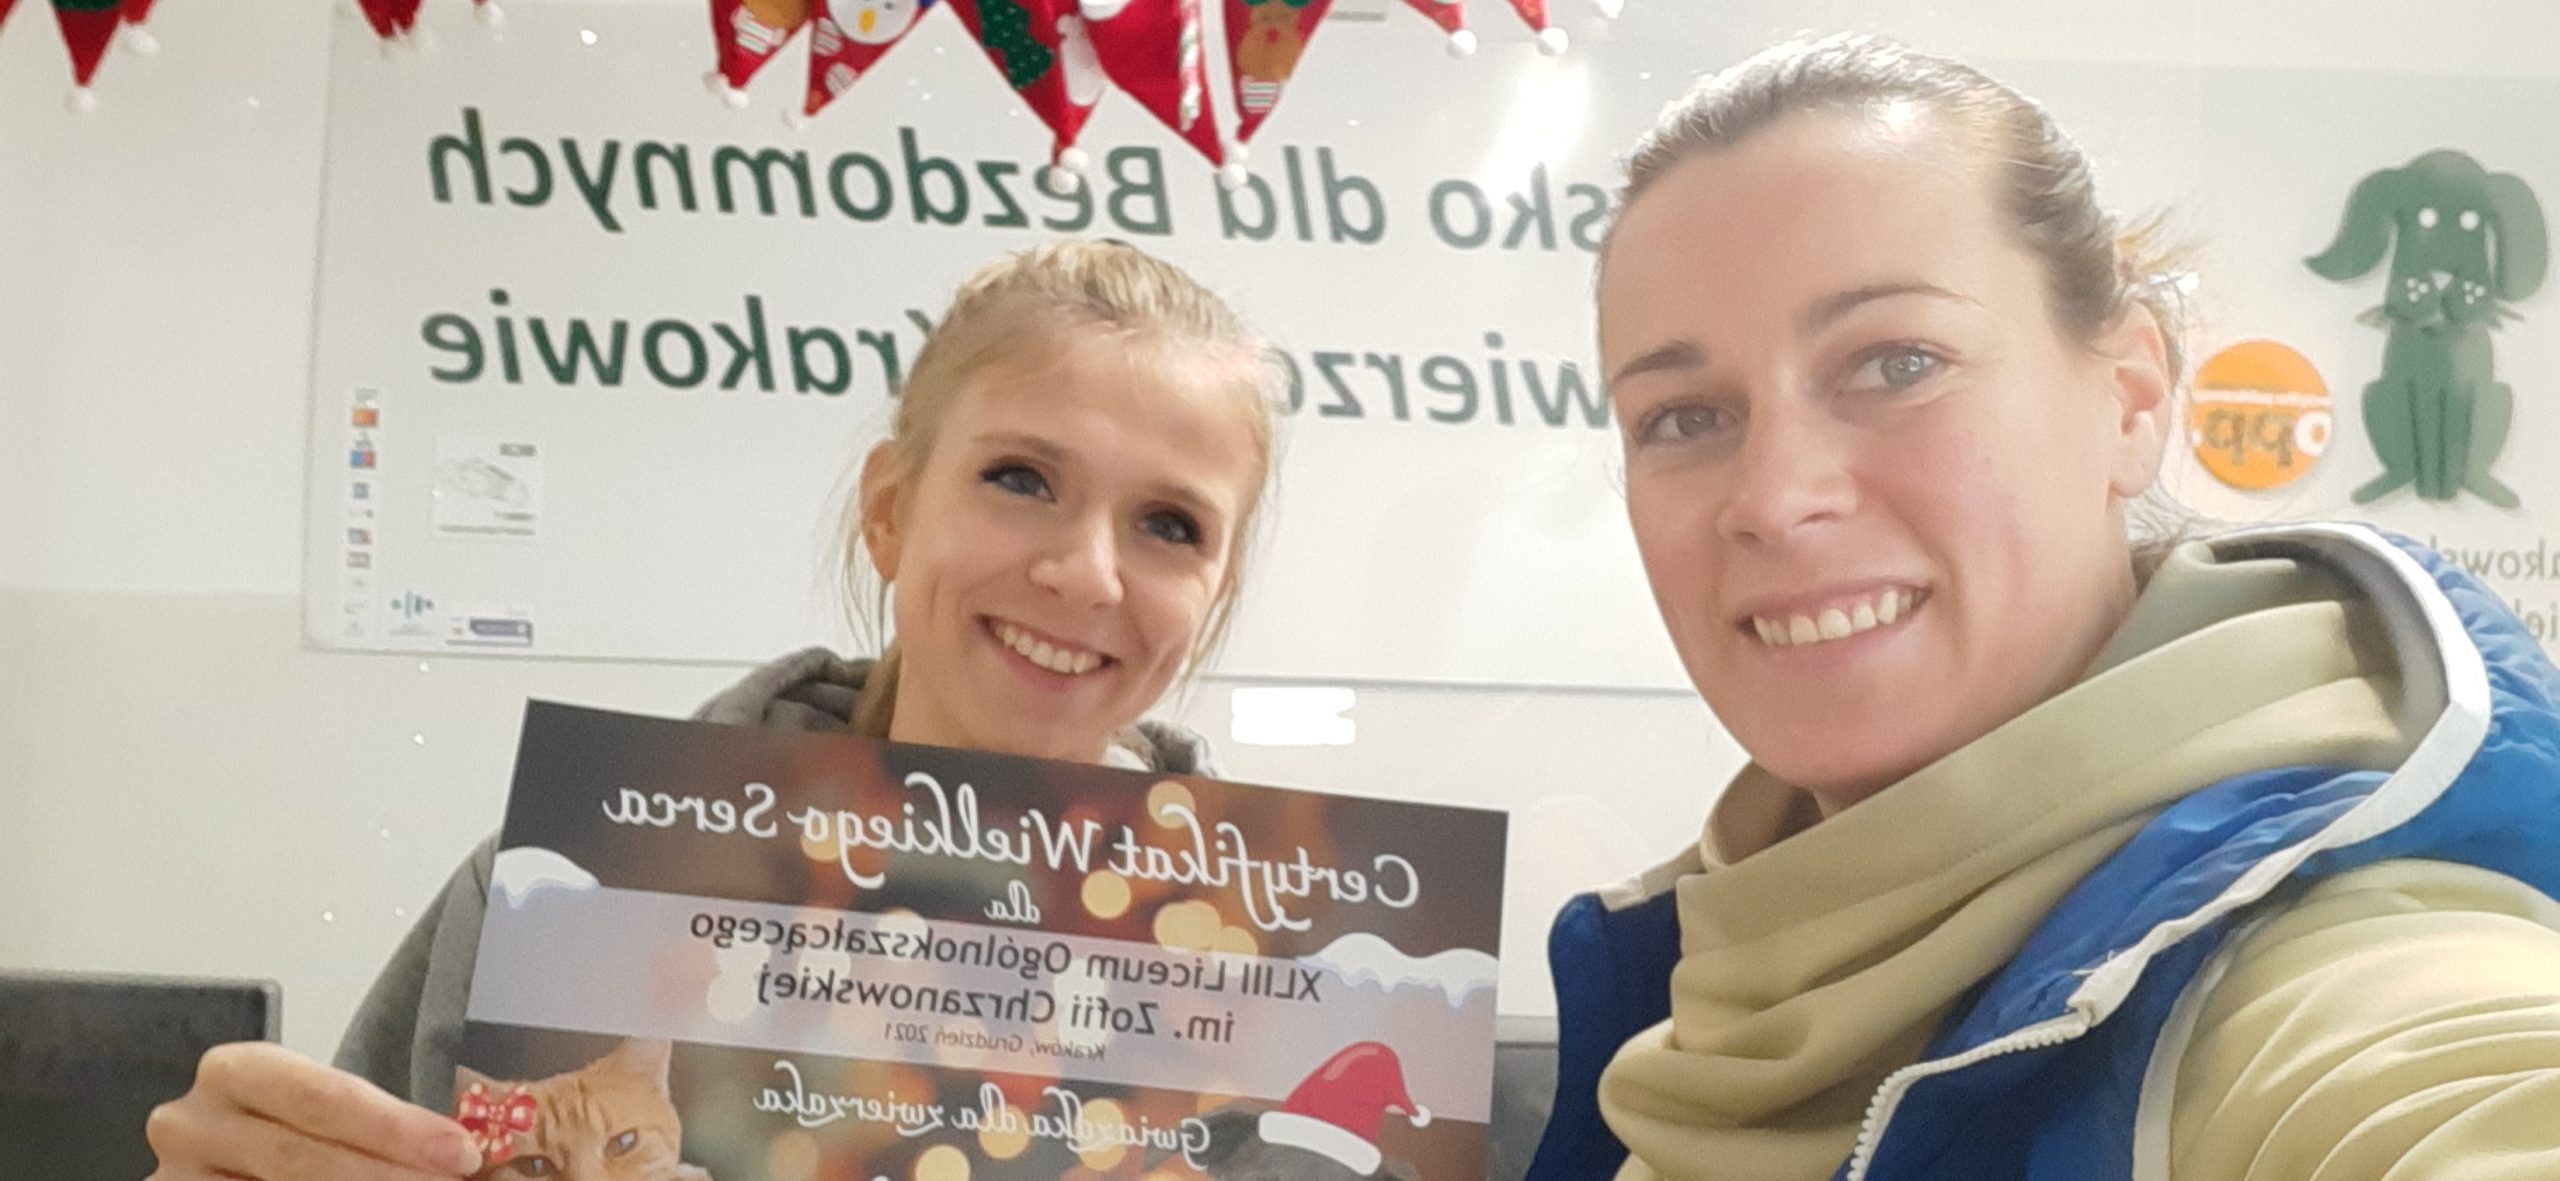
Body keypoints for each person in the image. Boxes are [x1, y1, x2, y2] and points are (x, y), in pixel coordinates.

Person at [1529, 33, 2560, 1181]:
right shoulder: (1709, 980)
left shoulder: (2321, 983)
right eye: (1683, 417)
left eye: (1896, 363)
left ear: (2129, 399)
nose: (1774, 498)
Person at [144, 239, 1280, 1180]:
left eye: (1170, 524)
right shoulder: (576, 887)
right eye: (1020, 478)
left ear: (1215, 591)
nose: (1087, 574)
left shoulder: (1282, 980)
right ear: (890, 511)